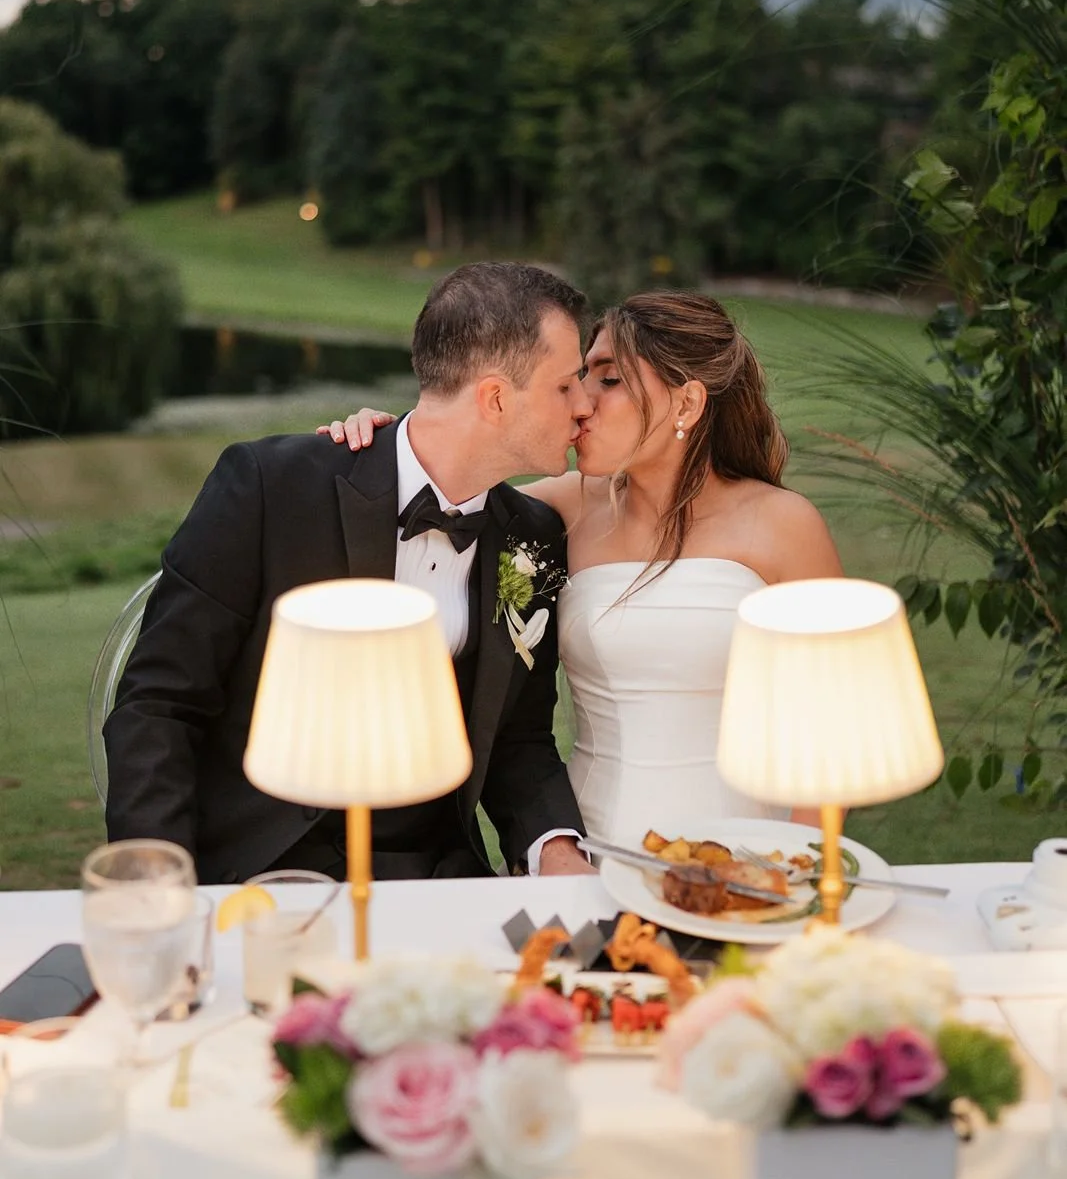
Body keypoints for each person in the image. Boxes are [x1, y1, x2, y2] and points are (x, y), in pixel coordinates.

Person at [105, 262, 596, 883]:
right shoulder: (272, 488)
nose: (584, 406)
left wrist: (557, 849)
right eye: (566, 385)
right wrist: (158, 880)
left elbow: (519, 738)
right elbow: (160, 704)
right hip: (263, 872)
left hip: (437, 878)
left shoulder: (533, 537)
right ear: (495, 398)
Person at [323, 290, 843, 849]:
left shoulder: (785, 525)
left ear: (688, 403)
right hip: (587, 853)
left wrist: (805, 864)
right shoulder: (556, 513)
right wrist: (371, 449)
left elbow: (836, 725)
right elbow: (432, 487)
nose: (581, 404)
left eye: (608, 379)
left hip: (747, 853)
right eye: (576, 379)